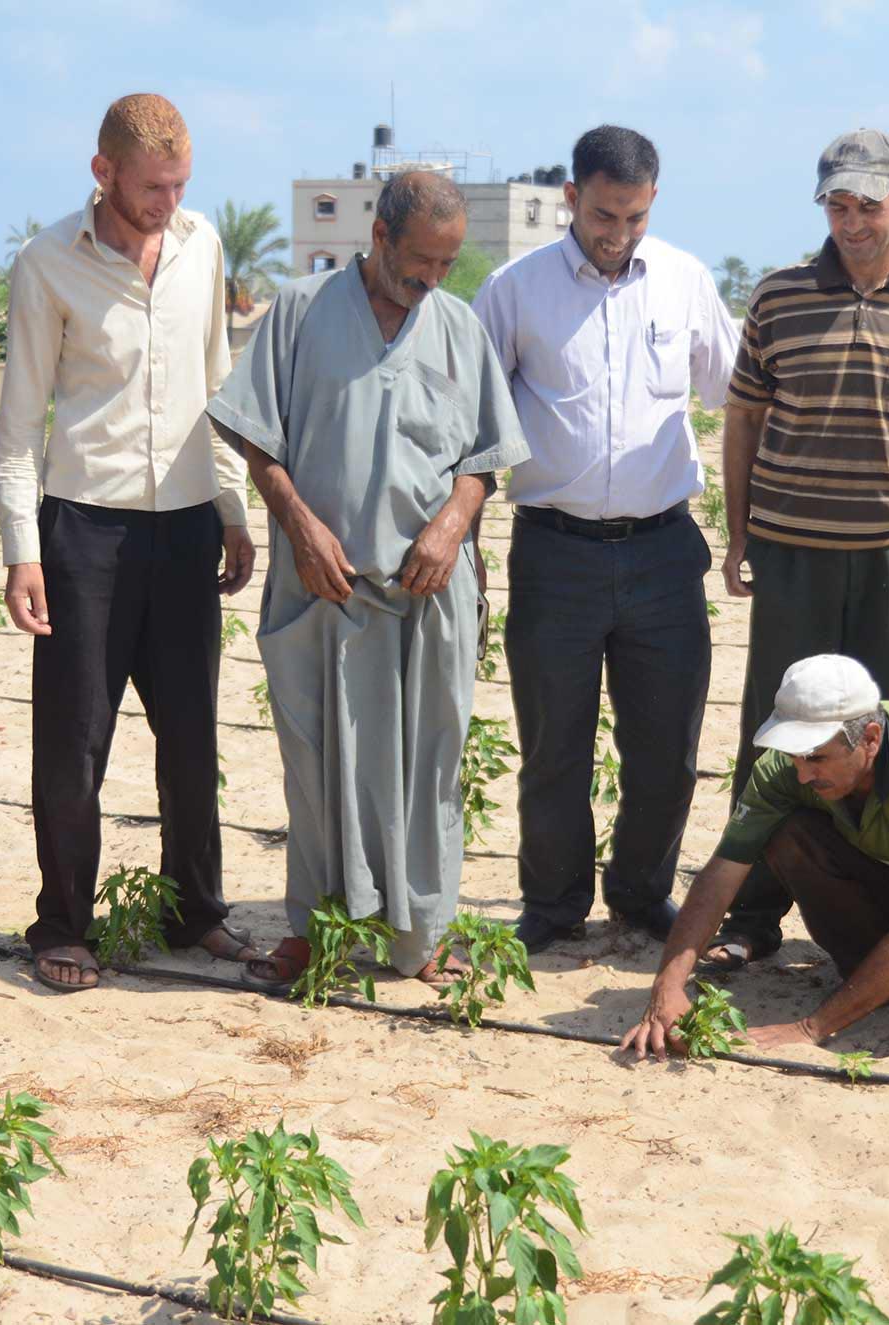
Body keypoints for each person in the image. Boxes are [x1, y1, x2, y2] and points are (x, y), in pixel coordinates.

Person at [205, 170, 528, 986]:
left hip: (428, 596)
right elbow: (258, 441)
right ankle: (317, 931)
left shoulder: (457, 327)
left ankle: (422, 936)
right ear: (378, 236)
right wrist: (301, 526)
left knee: (429, 768)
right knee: (315, 767)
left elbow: (483, 459)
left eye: (446, 266)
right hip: (324, 589)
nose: (430, 281)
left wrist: (453, 524)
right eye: (419, 261)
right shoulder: (300, 311)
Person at [706, 128, 889, 974]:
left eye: (868, 206)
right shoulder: (780, 298)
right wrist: (741, 533)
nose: (852, 222)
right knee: (775, 733)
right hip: (795, 552)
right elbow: (744, 420)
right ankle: (754, 914)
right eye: (837, 205)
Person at [0, 93, 256, 993]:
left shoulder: (203, 246)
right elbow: (20, 425)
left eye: (180, 185)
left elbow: (218, 387)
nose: (166, 204)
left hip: (184, 530)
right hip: (83, 534)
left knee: (191, 738)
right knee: (75, 743)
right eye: (151, 187)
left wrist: (232, 510)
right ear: (102, 172)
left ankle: (198, 914)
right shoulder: (45, 265)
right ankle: (63, 923)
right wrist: (23, 551)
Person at [472, 125, 738, 953]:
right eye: (601, 214)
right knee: (554, 746)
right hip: (555, 553)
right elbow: (474, 425)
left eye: (633, 217)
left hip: (664, 552)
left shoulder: (687, 283)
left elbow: (739, 390)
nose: (616, 232)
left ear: (652, 203)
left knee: (667, 747)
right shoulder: (517, 291)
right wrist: (467, 540)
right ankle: (552, 906)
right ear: (570, 198)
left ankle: (638, 892)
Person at [619, 655, 889, 1060]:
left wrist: (810, 1028)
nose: (803, 772)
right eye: (795, 756)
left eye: (816, 757)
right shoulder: (789, 768)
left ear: (870, 738)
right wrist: (668, 985)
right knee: (789, 835)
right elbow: (722, 874)